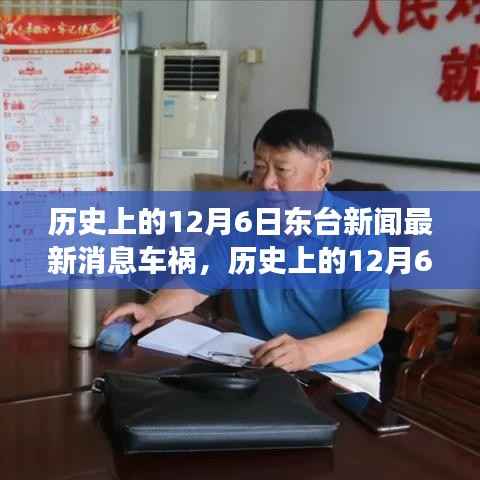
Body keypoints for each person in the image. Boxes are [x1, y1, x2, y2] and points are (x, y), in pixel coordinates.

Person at [103, 109, 389, 399]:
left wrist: (308, 351)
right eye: (260, 167)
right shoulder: (244, 224)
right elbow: (193, 286)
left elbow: (371, 322)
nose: (266, 182)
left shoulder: (358, 230)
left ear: (322, 173)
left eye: (282, 170)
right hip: (263, 368)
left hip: (343, 378)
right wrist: (152, 310)